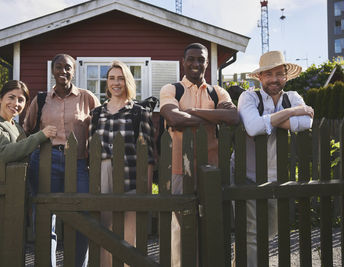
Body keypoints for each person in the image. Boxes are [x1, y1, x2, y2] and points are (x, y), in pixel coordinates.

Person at [159, 42, 239, 267]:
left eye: (200, 59)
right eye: (191, 59)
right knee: (180, 225)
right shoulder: (172, 89)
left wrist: (192, 112)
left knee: (212, 223)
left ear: (207, 63)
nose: (196, 63)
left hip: (213, 169)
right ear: (183, 62)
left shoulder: (218, 91)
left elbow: (233, 118)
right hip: (178, 167)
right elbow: (173, 118)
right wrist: (214, 116)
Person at [234, 50, 314, 266]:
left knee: (270, 231)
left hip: (275, 176)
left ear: (286, 76)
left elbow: (307, 123)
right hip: (246, 174)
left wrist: (270, 120)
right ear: (259, 77)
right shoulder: (249, 96)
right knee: (251, 233)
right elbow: (252, 127)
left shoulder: (293, 97)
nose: (274, 79)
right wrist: (289, 113)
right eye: (268, 74)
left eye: (279, 74)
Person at [24, 54, 100, 267]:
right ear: (52, 71)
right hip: (46, 162)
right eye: (59, 67)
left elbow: (101, 126)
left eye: (68, 68)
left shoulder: (87, 98)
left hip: (78, 163)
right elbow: (27, 130)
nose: (63, 72)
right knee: (46, 217)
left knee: (82, 215)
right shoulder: (41, 100)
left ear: (74, 71)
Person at [89, 60, 154, 267]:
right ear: (106, 82)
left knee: (127, 239)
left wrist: (146, 190)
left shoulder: (139, 113)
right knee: (103, 235)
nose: (116, 83)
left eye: (120, 78)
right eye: (111, 78)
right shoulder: (97, 114)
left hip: (130, 177)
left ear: (128, 81)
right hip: (101, 177)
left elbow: (149, 156)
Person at [0, 80, 57, 241]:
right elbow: (5, 152)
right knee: (2, 252)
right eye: (11, 97)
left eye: (21, 100)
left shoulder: (18, 128)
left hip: (16, 197)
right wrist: (40, 136)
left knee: (14, 252)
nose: (15, 103)